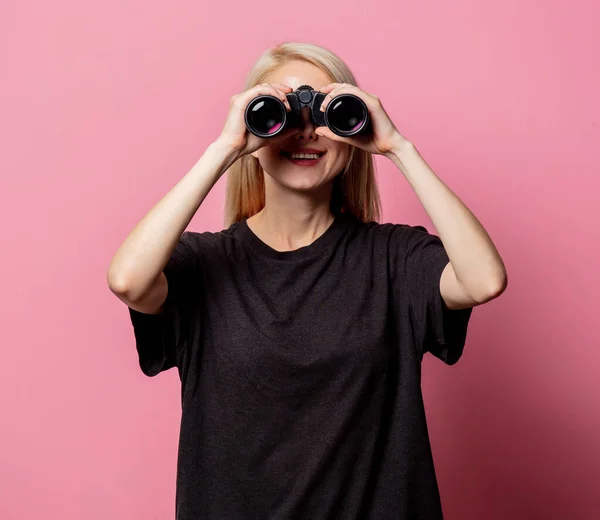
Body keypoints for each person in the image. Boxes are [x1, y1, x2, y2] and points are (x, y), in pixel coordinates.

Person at [107, 42, 507, 520]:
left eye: (324, 111)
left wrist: (396, 147)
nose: (304, 133)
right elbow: (128, 280)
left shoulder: (394, 259)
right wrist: (226, 148)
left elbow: (483, 281)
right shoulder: (203, 265)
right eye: (282, 113)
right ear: (253, 129)